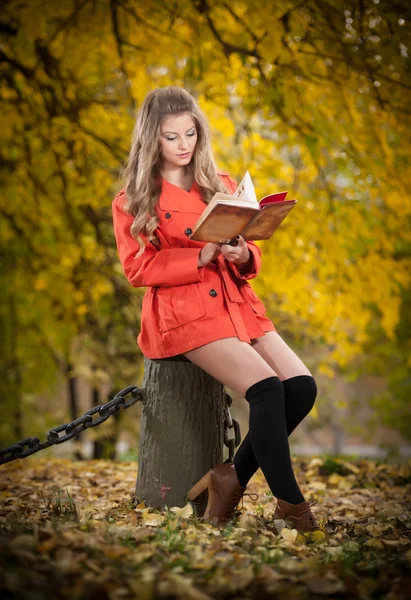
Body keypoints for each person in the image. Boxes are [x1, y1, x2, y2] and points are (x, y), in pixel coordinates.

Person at [112, 86, 319, 532]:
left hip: (235, 301)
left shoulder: (221, 184)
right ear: (153, 139)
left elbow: (248, 255)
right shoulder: (133, 199)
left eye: (190, 133)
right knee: (265, 388)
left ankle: (229, 478)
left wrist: (244, 254)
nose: (184, 145)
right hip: (183, 311)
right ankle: (293, 508)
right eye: (172, 136)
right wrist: (197, 257)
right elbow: (136, 267)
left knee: (301, 388)